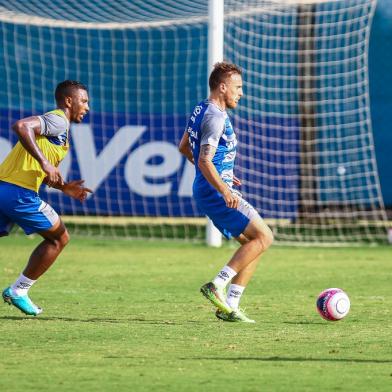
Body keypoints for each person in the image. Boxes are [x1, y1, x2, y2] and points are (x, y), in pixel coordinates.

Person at [179, 62, 273, 323]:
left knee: (252, 245)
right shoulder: (215, 116)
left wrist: (223, 175)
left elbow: (183, 147)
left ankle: (230, 306)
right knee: (265, 237)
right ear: (222, 87)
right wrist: (222, 187)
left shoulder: (202, 108)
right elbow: (204, 160)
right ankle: (216, 286)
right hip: (215, 192)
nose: (241, 93)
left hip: (209, 187)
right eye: (238, 87)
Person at [0, 80, 92, 316]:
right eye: (84, 101)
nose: (87, 107)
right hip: (19, 193)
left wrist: (64, 187)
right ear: (69, 101)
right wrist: (44, 162)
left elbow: (36, 165)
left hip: (5, 187)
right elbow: (21, 126)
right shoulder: (58, 120)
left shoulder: (61, 130)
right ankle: (19, 290)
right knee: (59, 238)